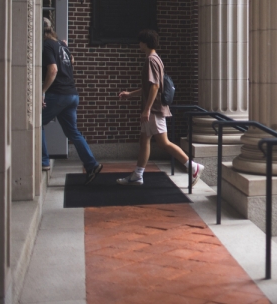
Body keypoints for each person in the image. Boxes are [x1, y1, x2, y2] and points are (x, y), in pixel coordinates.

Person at [117, 29, 204, 186]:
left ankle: (193, 167)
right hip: (154, 109)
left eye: (140, 42)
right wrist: (130, 94)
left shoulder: (151, 60)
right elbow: (149, 87)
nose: (139, 45)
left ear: (144, 43)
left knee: (164, 143)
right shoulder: (156, 59)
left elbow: (155, 86)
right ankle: (138, 174)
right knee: (144, 140)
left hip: (155, 110)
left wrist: (147, 109)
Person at [41, 18, 103, 183]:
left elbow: (53, 69)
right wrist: (64, 46)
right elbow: (72, 61)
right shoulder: (61, 45)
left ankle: (44, 161)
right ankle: (91, 164)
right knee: (72, 132)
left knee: (36, 122)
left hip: (58, 94)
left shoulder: (47, 45)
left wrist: (42, 91)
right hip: (72, 95)